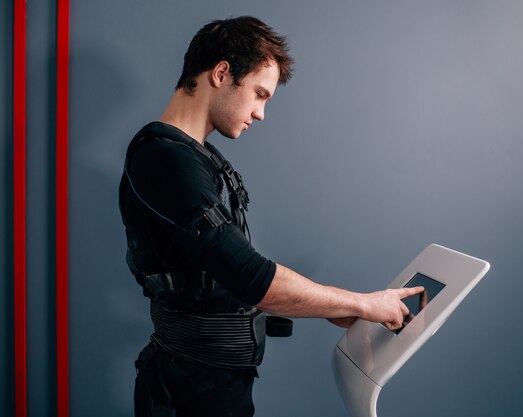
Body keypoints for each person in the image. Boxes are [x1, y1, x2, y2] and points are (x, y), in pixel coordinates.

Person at [119, 16, 423, 417]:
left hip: (210, 385)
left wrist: (330, 307)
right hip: (188, 392)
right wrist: (362, 303)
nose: (261, 113)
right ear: (222, 73)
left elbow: (222, 278)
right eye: (259, 94)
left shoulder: (195, 157)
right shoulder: (166, 160)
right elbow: (250, 275)